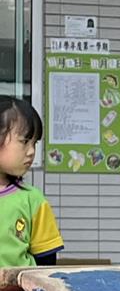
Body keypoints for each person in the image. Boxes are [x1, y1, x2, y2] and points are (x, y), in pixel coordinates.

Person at [0, 96, 64, 267]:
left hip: (20, 285)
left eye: (34, 143)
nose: (31, 152)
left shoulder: (33, 200)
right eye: (24, 141)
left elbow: (46, 262)